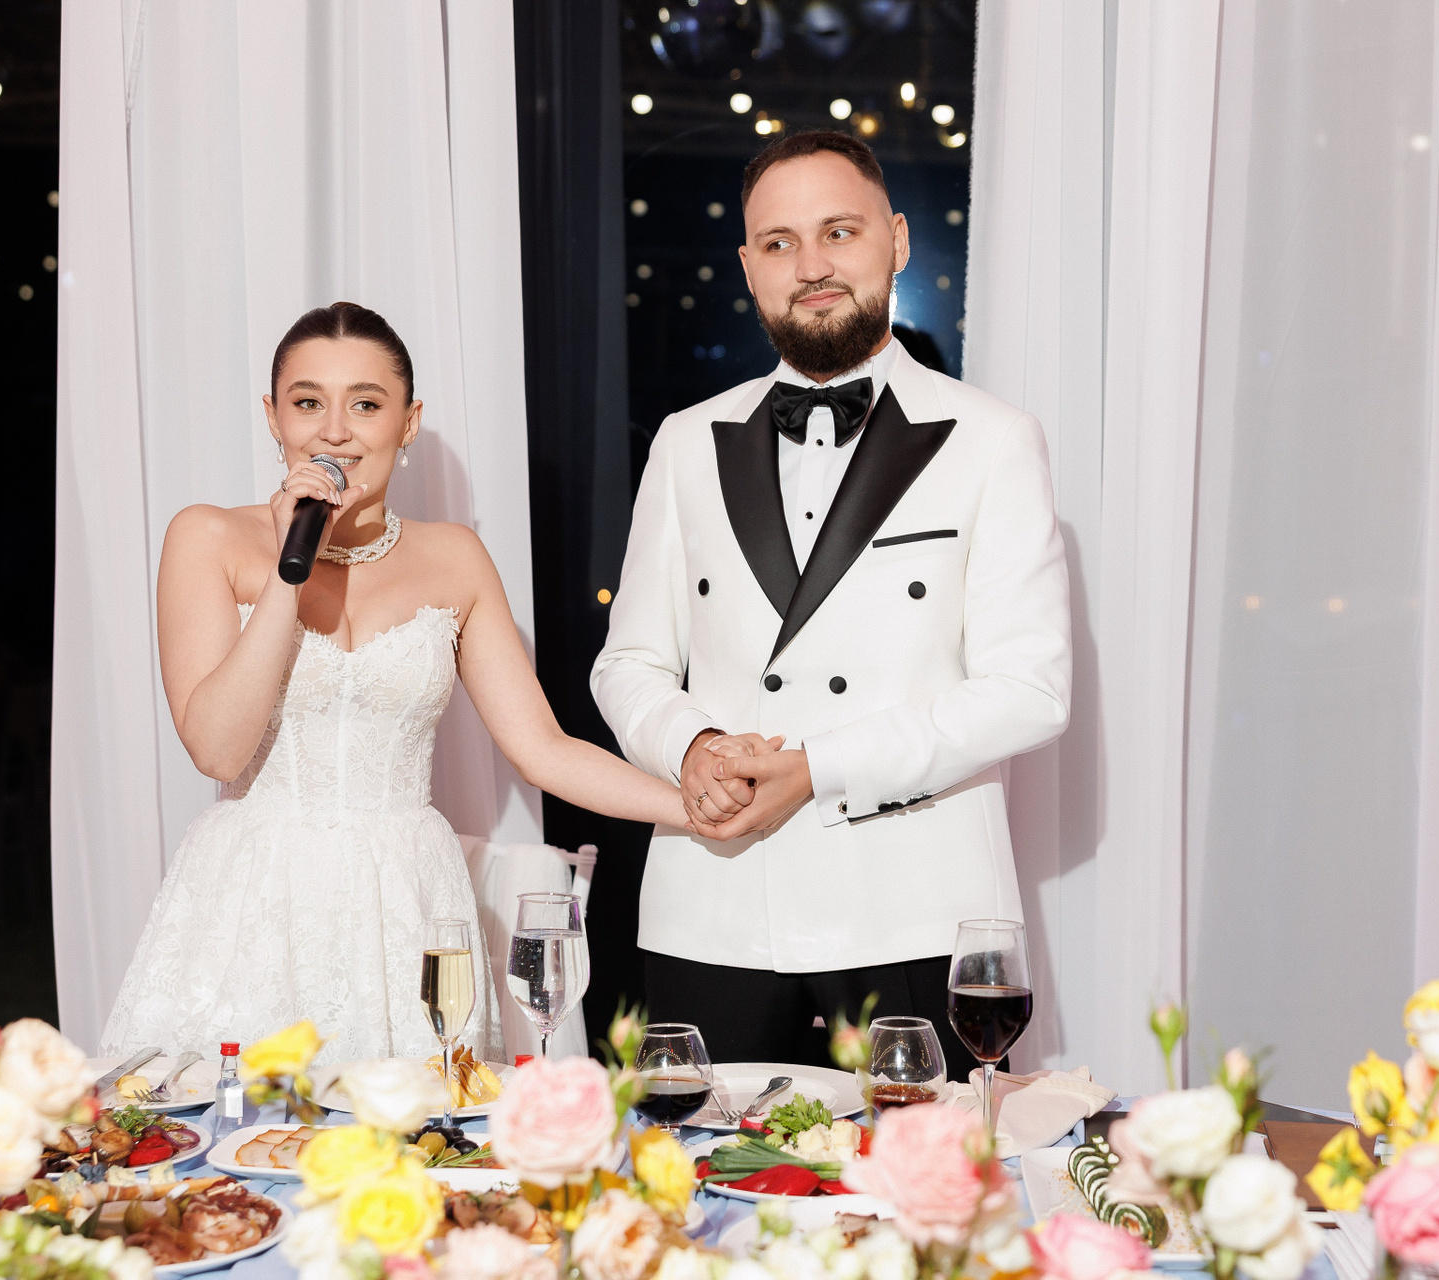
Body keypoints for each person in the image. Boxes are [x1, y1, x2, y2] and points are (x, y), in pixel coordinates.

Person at [591, 131, 1071, 1080]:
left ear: (897, 241)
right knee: (693, 1166)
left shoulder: (994, 440)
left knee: (924, 1170)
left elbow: (1030, 690)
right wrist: (693, 746)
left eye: (838, 233)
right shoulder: (686, 441)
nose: (810, 266)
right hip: (716, 903)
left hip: (912, 909)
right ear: (748, 268)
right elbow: (628, 663)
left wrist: (818, 769)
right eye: (780, 243)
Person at [104, 302, 698, 1065]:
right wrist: (290, 568)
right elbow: (218, 750)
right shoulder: (208, 536)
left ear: (408, 422)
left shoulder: (455, 557)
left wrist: (693, 808)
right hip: (254, 899)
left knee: (419, 1125)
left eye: (366, 404)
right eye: (308, 403)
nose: (334, 431)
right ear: (273, 417)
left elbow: (543, 749)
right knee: (243, 1127)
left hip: (406, 901)